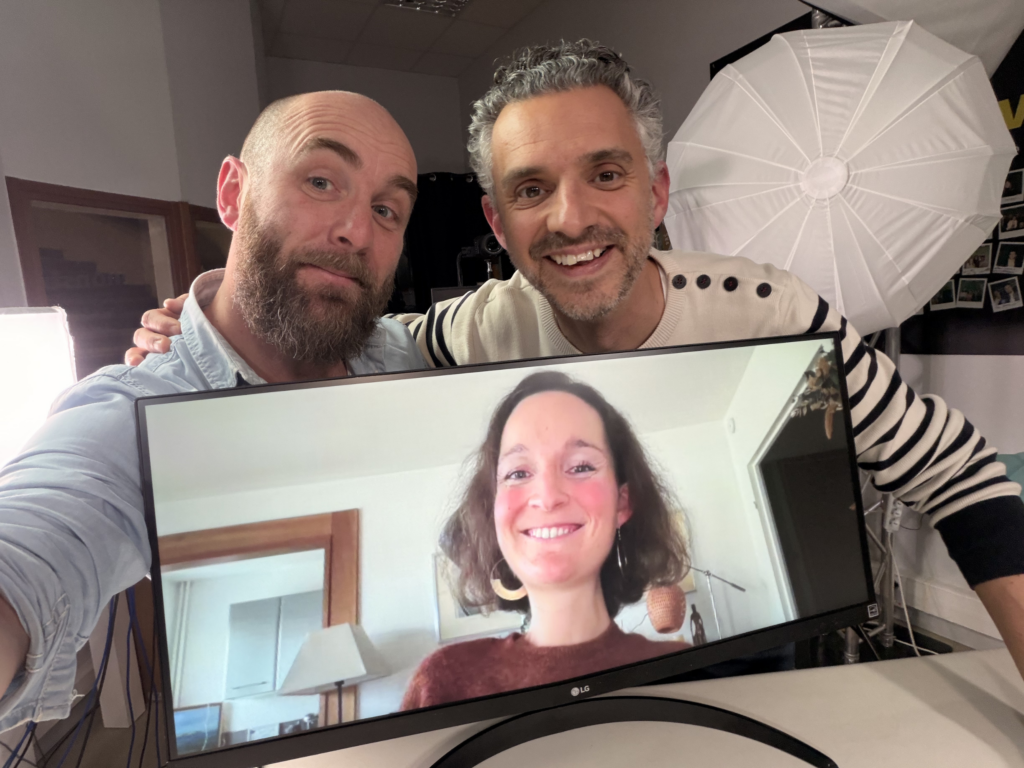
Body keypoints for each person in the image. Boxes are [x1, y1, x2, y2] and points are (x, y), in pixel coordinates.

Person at [130, 40, 1024, 679]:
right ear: (495, 222)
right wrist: (197, 317)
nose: (568, 220)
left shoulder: (775, 312)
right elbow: (341, 343)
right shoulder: (469, 330)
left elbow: (959, 474)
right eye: (529, 189)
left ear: (657, 191)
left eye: (606, 173)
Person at [0, 91, 425, 730]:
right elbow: (44, 531)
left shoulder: (402, 353)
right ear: (232, 194)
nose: (356, 232)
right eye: (320, 181)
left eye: (386, 209)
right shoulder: (142, 408)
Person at [401, 371, 689, 710]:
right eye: (518, 473)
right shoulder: (443, 682)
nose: (548, 496)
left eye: (581, 467)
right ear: (493, 511)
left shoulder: (682, 671)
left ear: (622, 502)